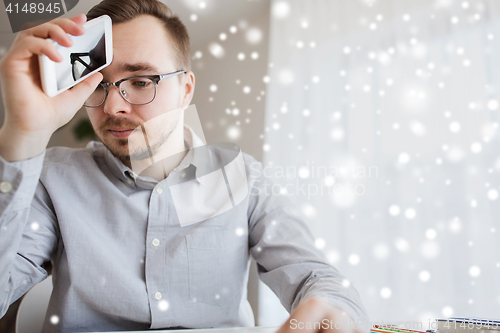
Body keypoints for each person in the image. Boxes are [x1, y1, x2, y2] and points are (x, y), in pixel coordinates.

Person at [0, 0, 368, 332]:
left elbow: (316, 279)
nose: (113, 106)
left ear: (186, 89)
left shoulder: (243, 177)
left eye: (141, 82)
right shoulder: (52, 178)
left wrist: (329, 310)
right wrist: (22, 134)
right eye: (97, 85)